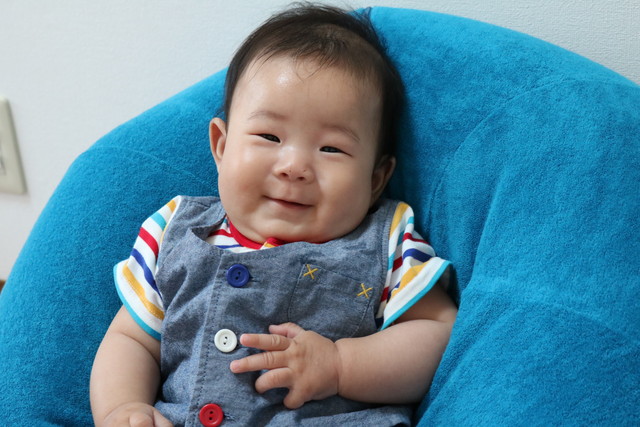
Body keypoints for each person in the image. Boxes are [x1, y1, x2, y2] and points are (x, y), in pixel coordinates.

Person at [90, 4, 457, 426]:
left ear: (375, 179)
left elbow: (437, 333)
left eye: (331, 148)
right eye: (269, 136)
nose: (294, 166)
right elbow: (131, 339)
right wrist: (122, 408)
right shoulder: (176, 230)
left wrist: (340, 364)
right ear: (222, 146)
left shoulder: (385, 241)